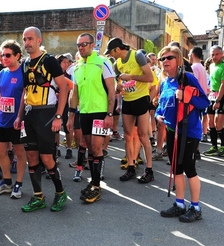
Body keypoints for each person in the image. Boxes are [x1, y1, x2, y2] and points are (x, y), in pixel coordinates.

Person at [14, 26, 68, 212]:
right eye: (24, 39)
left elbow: (65, 88)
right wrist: (19, 116)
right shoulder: (25, 63)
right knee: (31, 156)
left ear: (39, 41)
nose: (26, 43)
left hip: (46, 113)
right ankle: (38, 197)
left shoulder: (50, 61)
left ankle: (60, 193)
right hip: (30, 114)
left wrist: (58, 116)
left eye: (30, 39)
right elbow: (24, 91)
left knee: (46, 158)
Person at [155, 45, 210, 223]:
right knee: (176, 168)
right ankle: (180, 204)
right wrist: (158, 116)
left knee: (189, 168)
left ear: (178, 60)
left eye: (169, 58)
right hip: (172, 130)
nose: (165, 61)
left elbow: (204, 102)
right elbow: (160, 106)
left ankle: (196, 207)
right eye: (162, 58)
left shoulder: (188, 79)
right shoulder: (164, 82)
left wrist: (187, 97)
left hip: (189, 131)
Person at [67, 33, 115, 203]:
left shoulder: (103, 62)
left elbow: (111, 89)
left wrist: (110, 114)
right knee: (88, 148)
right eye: (78, 44)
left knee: (96, 148)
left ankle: (96, 185)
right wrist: (71, 116)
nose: (81, 47)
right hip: (85, 113)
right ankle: (94, 182)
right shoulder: (77, 66)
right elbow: (74, 93)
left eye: (84, 44)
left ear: (92, 45)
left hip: (100, 112)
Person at [104, 37, 154, 183]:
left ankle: (149, 170)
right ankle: (130, 167)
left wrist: (131, 76)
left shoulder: (137, 55)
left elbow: (149, 77)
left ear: (117, 49)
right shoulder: (117, 64)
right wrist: (118, 87)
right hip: (127, 100)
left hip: (141, 99)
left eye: (111, 52)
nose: (110, 55)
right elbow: (117, 83)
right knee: (127, 136)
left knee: (143, 136)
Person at [0, 39, 26, 199]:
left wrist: (20, 117)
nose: (4, 58)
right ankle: (7, 182)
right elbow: (0, 96)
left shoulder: (24, 72)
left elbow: (25, 96)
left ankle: (18, 184)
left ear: (17, 55)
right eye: (2, 55)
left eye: (7, 55)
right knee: (0, 151)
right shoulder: (2, 73)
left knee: (19, 152)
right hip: (2, 120)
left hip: (17, 121)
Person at [203, 45, 224, 157]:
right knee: (210, 123)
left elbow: (223, 85)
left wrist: (218, 100)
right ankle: (214, 146)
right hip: (212, 95)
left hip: (223, 96)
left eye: (216, 54)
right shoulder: (211, 66)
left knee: (218, 123)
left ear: (222, 54)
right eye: (212, 54)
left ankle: (223, 145)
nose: (214, 56)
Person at [188, 46, 209, 158]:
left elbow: (192, 83)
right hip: (201, 98)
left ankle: (195, 150)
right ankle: (196, 150)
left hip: (194, 99)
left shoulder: (194, 67)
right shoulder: (201, 67)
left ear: (192, 54)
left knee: (193, 125)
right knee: (198, 123)